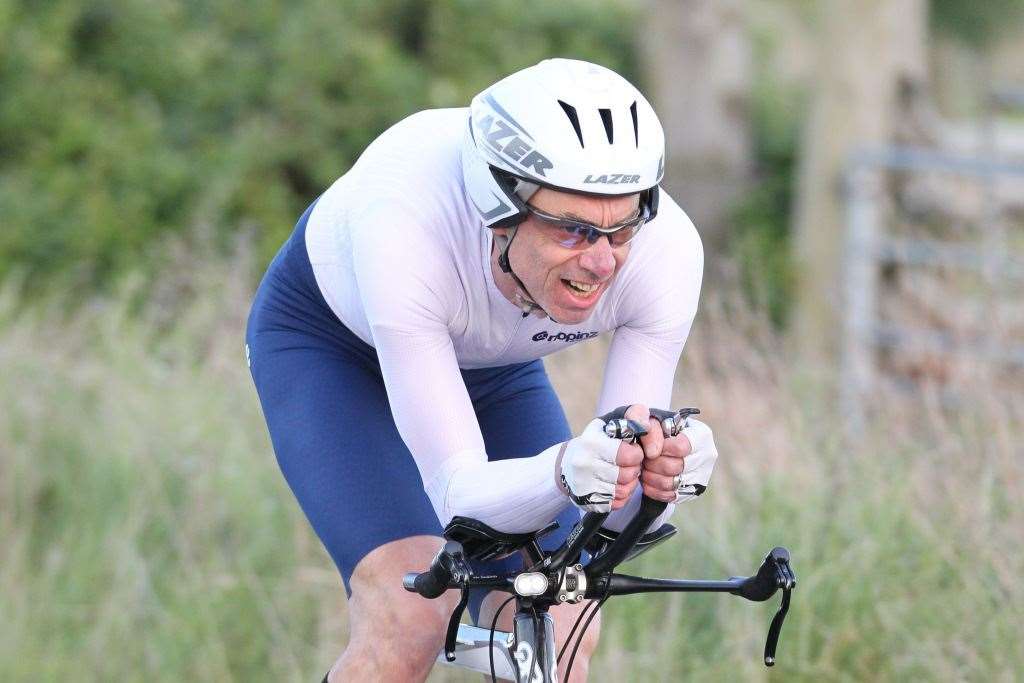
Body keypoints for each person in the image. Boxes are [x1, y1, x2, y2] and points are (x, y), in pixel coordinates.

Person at [245, 58, 718, 682]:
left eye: (622, 226)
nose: (603, 263)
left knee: (566, 620)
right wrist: (562, 472)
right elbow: (459, 498)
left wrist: (661, 478)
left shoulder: (666, 252)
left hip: (492, 365)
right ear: (500, 207)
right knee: (411, 611)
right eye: (573, 231)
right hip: (332, 349)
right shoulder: (406, 223)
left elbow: (615, 490)